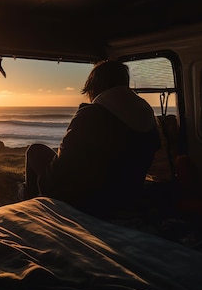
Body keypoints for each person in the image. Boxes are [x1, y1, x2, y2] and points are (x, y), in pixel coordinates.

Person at [21, 60, 161, 218]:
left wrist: (46, 182)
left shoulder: (91, 114)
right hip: (125, 196)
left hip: (84, 200)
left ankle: (30, 211)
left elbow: (60, 172)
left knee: (35, 151)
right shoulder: (148, 118)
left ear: (95, 86)